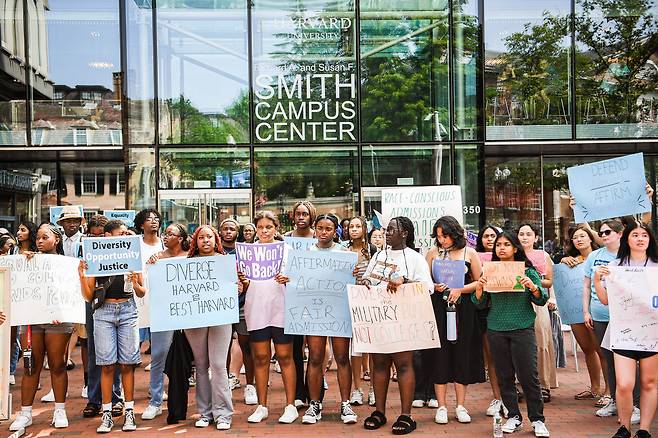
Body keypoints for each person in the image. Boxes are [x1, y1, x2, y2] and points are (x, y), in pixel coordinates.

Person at [473, 231, 550, 438]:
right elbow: (480, 303)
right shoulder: (489, 271)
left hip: (522, 328)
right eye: (499, 245)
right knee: (504, 376)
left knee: (528, 376)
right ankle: (513, 416)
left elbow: (541, 300)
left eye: (506, 244)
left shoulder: (526, 270)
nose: (502, 248)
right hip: (496, 328)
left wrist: (533, 287)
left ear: (515, 248)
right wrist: (479, 290)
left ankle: (537, 419)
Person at [361, 217, 433, 435]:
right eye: (386, 229)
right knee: (379, 364)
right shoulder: (378, 255)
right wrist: (364, 282)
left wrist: (405, 282)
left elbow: (428, 287)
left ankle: (405, 415)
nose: (386, 233)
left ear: (405, 233)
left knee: (403, 364)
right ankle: (379, 411)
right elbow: (369, 280)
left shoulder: (415, 258)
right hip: (379, 318)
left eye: (391, 229)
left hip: (403, 319)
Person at [78, 219, 145, 433]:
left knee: (127, 363)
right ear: (109, 236)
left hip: (127, 309)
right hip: (104, 312)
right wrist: (82, 276)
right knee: (106, 364)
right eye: (122, 233)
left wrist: (135, 282)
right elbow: (89, 295)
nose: (126, 236)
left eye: (127, 233)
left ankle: (129, 412)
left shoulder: (133, 255)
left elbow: (142, 292)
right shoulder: (95, 257)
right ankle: (106, 413)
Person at [593, 221, 658, 438]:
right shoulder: (616, 267)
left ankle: (644, 430)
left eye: (644, 235)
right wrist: (597, 279)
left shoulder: (657, 267)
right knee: (624, 384)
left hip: (652, 334)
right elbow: (604, 300)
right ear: (627, 239)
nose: (640, 239)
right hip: (623, 333)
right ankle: (624, 427)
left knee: (649, 382)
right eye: (635, 235)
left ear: (650, 239)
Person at [9, 224, 74, 432]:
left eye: (44, 237)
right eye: (37, 237)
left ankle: (60, 409)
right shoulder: (28, 260)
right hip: (32, 319)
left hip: (58, 319)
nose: (39, 241)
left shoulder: (66, 263)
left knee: (57, 364)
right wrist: (23, 261)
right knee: (31, 365)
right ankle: (25, 413)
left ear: (57, 240)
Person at [296, 214, 358, 425]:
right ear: (315, 229)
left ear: (336, 231)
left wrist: (355, 272)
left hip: (339, 311)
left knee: (342, 357)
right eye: (320, 228)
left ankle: (345, 403)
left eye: (329, 228)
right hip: (314, 311)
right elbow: (298, 281)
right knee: (315, 357)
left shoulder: (344, 253)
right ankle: (314, 404)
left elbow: (352, 281)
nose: (324, 232)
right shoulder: (305, 253)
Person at [426, 216, 484, 425]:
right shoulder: (432, 253)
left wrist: (461, 290)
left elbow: (480, 281)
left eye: (445, 236)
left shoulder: (470, 253)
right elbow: (425, 281)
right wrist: (434, 286)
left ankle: (460, 405)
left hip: (463, 309)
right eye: (439, 236)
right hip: (439, 308)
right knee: (439, 354)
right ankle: (441, 405)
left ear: (455, 233)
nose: (442, 240)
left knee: (462, 353)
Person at [240, 211, 298, 424]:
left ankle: (290, 405)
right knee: (261, 358)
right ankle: (262, 406)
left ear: (276, 228)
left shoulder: (287, 250)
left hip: (281, 309)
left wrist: (288, 279)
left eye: (268, 227)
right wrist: (242, 281)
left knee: (285, 357)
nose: (264, 231)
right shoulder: (247, 252)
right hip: (256, 310)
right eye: (261, 227)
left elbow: (299, 279)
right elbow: (243, 284)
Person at [583, 219, 641, 422]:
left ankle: (635, 404)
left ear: (619, 233)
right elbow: (586, 285)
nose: (604, 235)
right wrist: (586, 311)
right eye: (601, 232)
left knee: (629, 360)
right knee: (609, 359)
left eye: (608, 232)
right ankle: (616, 402)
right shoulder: (594, 256)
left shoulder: (630, 255)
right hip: (600, 314)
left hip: (625, 316)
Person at [182, 225, 235, 430]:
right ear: (196, 241)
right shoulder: (186, 265)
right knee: (201, 366)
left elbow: (236, 286)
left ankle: (223, 414)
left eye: (209, 237)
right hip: (195, 320)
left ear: (216, 240)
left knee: (219, 366)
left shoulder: (225, 262)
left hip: (220, 318)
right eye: (201, 237)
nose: (206, 241)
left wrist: (240, 286)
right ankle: (205, 413)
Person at [142, 223, 189, 421]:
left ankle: (185, 402)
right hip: (163, 313)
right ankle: (155, 401)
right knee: (159, 355)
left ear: (180, 238)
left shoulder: (190, 257)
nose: (166, 236)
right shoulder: (157, 258)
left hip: (188, 314)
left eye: (171, 233)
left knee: (189, 359)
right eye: (165, 233)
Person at [560, 226, 610, 406]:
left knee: (601, 350)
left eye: (583, 236)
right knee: (587, 349)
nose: (579, 239)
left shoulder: (600, 257)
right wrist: (565, 261)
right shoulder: (569, 261)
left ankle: (609, 390)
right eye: (575, 237)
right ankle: (595, 388)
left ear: (591, 238)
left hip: (596, 310)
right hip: (575, 310)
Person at [82, 215, 124, 420]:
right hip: (93, 303)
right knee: (94, 352)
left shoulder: (124, 249)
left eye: (101, 235)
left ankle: (116, 398)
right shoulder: (87, 251)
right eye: (93, 235)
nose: (97, 239)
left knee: (115, 354)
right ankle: (94, 399)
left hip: (119, 304)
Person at [518, 223, 558, 402]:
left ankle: (543, 385)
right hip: (517, 301)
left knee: (541, 340)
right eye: (521, 234)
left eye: (528, 234)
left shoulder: (543, 255)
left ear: (536, 237)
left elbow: (549, 281)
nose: (524, 237)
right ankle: (520, 385)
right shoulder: (513, 254)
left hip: (537, 299)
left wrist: (533, 282)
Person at [284, 200, 317, 407]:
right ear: (293, 217)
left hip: (315, 297)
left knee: (315, 348)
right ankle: (298, 393)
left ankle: (315, 390)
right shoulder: (285, 239)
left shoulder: (319, 236)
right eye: (298, 214)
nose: (301, 217)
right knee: (294, 347)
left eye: (305, 214)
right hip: (292, 297)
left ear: (311, 216)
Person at [475, 225, 506, 416]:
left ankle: (510, 395)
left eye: (493, 236)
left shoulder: (515, 261)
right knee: (492, 357)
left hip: (511, 313)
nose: (489, 239)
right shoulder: (475, 258)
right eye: (485, 236)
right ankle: (498, 397)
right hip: (486, 311)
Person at [347, 216, 375, 407]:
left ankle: (373, 388)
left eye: (358, 226)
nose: (354, 229)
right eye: (351, 226)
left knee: (372, 348)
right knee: (355, 349)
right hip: (350, 302)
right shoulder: (344, 249)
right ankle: (356, 389)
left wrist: (367, 278)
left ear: (364, 229)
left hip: (369, 303)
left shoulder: (374, 250)